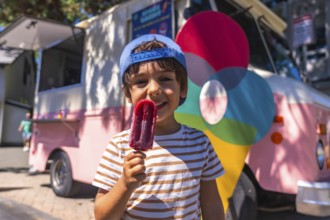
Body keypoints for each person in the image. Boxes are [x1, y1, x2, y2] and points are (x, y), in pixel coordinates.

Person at [93, 34, 225, 220]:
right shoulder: (119, 146)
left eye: (165, 79)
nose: (154, 89)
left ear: (183, 88)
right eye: (140, 82)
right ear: (128, 94)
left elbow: (212, 204)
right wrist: (125, 183)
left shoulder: (200, 143)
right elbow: (101, 216)